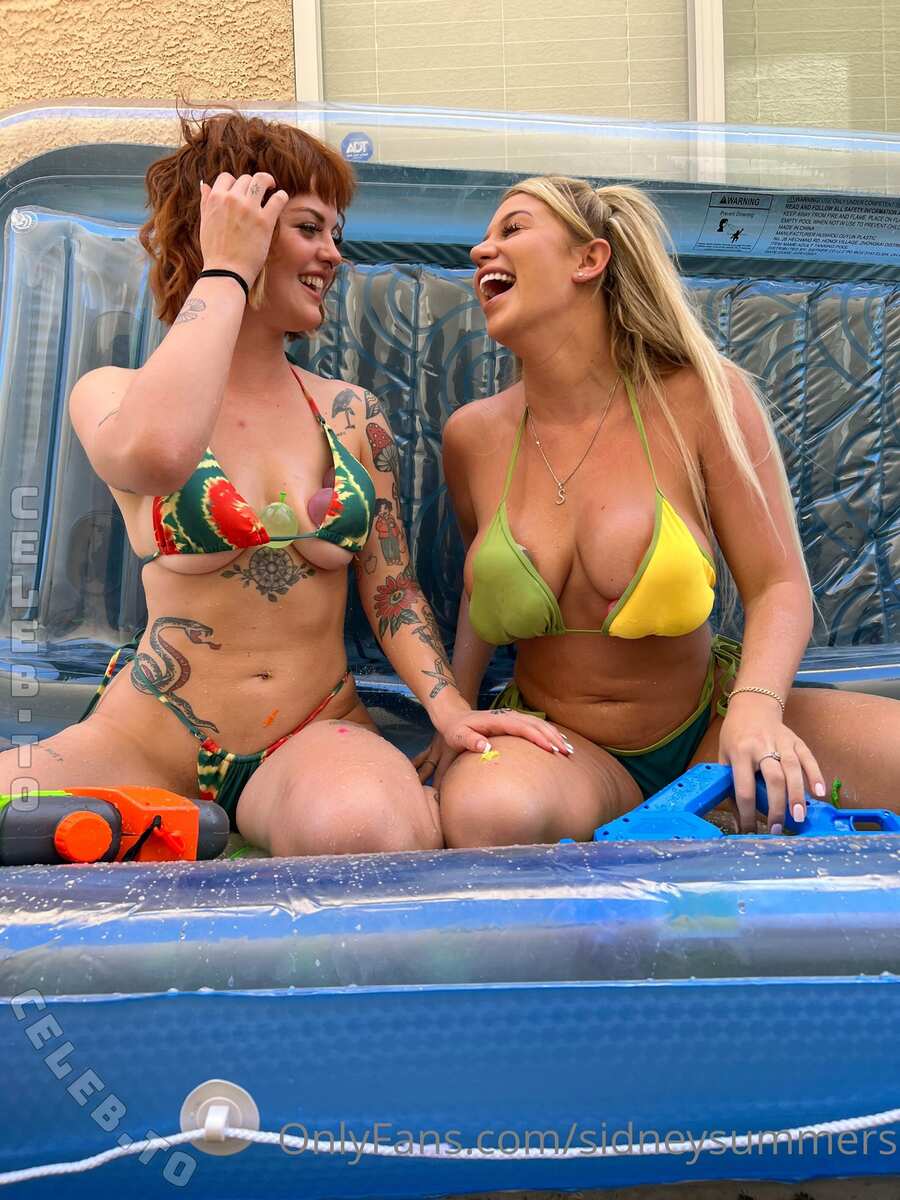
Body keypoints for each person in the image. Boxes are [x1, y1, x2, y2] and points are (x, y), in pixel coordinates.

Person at [0, 112, 572, 856]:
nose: (333, 254)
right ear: (230, 227)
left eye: (335, 232)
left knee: (369, 831)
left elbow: (391, 587)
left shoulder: (351, 414)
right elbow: (159, 457)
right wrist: (224, 270)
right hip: (145, 733)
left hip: (310, 731)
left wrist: (450, 708)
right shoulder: (113, 393)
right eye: (307, 228)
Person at [415, 175, 900, 846]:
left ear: (590, 259)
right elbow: (481, 591)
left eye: (513, 229)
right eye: (485, 236)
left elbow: (778, 585)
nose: (480, 251)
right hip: (563, 751)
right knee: (488, 811)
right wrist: (458, 713)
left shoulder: (700, 397)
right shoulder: (473, 436)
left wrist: (757, 709)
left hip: (715, 725)